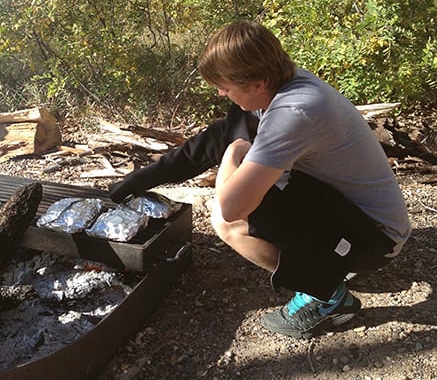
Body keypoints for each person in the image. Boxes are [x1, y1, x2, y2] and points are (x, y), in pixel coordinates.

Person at [109, 20, 411, 339]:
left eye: (225, 86)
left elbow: (231, 208)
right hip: (350, 214)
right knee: (258, 179)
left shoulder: (294, 112)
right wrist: (136, 181)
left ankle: (326, 294)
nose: (220, 92)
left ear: (257, 83)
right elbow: (210, 142)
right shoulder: (280, 84)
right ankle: (325, 264)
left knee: (229, 222)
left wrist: (233, 153)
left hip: (376, 238)